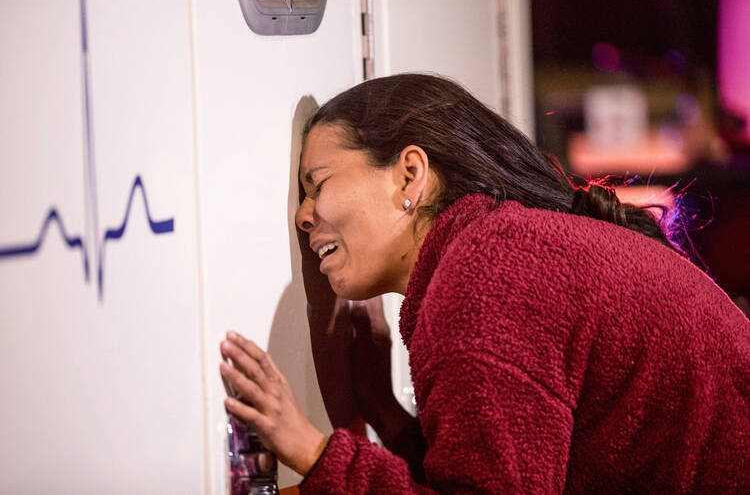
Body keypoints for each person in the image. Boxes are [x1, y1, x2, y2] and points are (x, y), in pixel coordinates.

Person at [218, 73, 750, 493]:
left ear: (409, 174)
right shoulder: (503, 246)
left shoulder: (489, 272)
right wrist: (382, 410)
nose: (303, 216)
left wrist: (310, 454)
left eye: (319, 184)